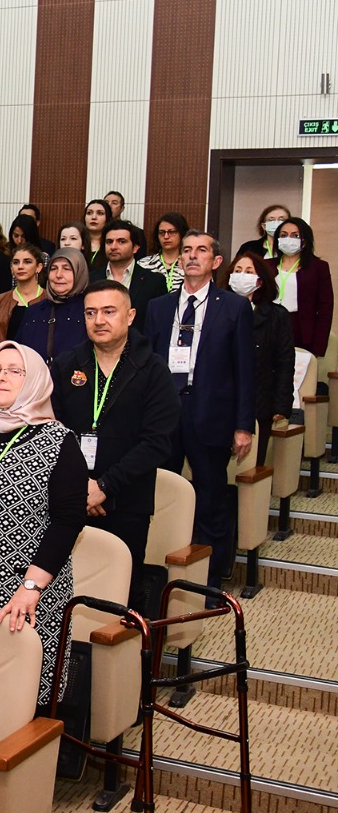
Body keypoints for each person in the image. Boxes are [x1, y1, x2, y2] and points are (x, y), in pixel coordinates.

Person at [0, 341, 86, 707]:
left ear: (35, 380)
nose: (1, 377)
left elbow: (68, 521)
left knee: (14, 698)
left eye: (14, 371)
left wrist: (31, 586)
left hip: (24, 589)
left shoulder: (59, 442)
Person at [51, 280, 180, 607]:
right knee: (65, 590)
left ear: (130, 316)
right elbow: (53, 432)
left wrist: (104, 486)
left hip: (128, 502)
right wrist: (82, 486)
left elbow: (156, 443)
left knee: (121, 596)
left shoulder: (153, 370)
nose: (99, 320)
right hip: (71, 499)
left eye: (109, 312)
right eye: (90, 313)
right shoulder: (66, 365)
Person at [142, 231, 255, 589]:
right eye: (187, 250)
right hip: (164, 413)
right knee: (159, 495)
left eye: (201, 250)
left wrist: (243, 426)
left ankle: (209, 583)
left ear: (215, 261)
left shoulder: (234, 307)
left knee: (209, 500)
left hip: (210, 412)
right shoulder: (159, 307)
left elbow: (245, 371)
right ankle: (157, 578)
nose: (192, 256)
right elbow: (146, 365)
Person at [226, 252, 295, 463]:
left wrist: (281, 405)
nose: (242, 275)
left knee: (253, 465)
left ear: (260, 281)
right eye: (237, 271)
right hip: (221, 400)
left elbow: (285, 363)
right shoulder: (218, 310)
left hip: (260, 401)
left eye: (248, 272)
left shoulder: (277, 315)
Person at [270, 216, 333, 357]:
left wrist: (318, 348)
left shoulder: (318, 268)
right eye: (284, 235)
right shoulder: (267, 265)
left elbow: (325, 308)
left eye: (295, 235)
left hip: (300, 329)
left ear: (304, 241)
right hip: (270, 325)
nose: (288, 239)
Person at [16, 248, 90, 362]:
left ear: (79, 272)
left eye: (66, 269)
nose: (58, 275)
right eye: (54, 268)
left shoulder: (90, 310)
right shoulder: (34, 311)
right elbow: (18, 352)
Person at [97, 220, 167, 322]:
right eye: (109, 242)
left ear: (135, 248)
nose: (113, 247)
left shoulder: (154, 281)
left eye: (121, 241)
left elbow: (159, 321)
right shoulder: (91, 278)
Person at [0, 244, 46, 343]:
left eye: (27, 262)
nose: (20, 266)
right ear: (11, 268)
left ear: (38, 267)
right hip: (4, 352)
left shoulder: (49, 299)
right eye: (16, 262)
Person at [139, 212, 189, 292]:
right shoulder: (143, 264)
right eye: (162, 233)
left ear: (182, 234)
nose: (166, 236)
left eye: (172, 232)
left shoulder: (190, 264)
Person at [82, 199, 111, 270]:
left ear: (108, 218)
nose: (94, 217)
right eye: (89, 213)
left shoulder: (112, 244)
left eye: (100, 213)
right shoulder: (77, 241)